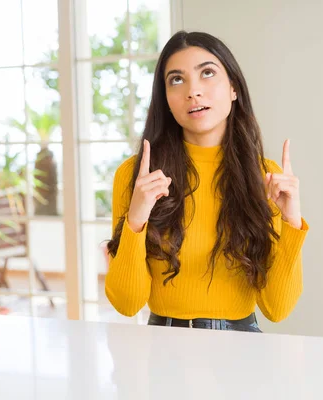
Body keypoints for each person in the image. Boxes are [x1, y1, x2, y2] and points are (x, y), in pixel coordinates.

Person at [105, 31, 309, 333]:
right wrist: (136, 220)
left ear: (233, 88)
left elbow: (277, 309)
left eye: (207, 73)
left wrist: (291, 221)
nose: (193, 91)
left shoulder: (266, 176)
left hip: (241, 346)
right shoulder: (137, 177)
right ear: (167, 100)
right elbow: (127, 303)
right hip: (163, 344)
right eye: (177, 79)